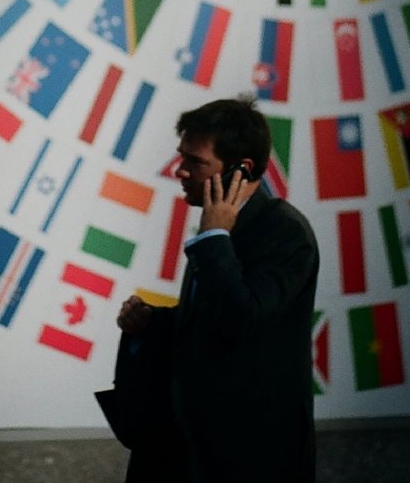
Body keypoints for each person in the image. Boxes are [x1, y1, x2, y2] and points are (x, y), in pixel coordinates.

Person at [109, 97, 319, 482]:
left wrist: (215, 239)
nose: (180, 170)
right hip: (186, 448)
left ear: (242, 169)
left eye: (195, 162)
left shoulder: (284, 232)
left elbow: (244, 319)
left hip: (248, 459)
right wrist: (150, 323)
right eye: (182, 156)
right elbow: (209, 323)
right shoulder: (218, 227)